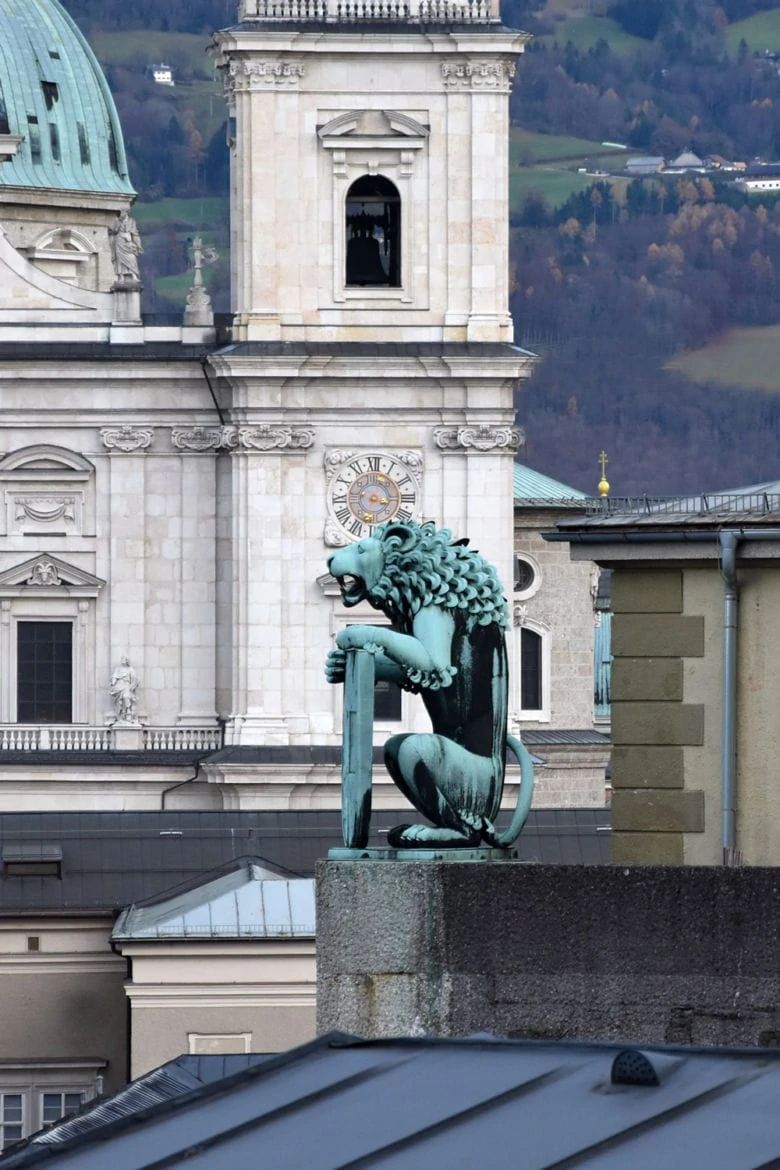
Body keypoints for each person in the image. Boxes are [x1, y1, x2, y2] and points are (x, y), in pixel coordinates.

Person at [109, 211, 143, 282]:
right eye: (121, 212)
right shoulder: (117, 221)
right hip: (119, 241)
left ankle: (133, 274)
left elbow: (135, 234)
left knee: (132, 257)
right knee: (119, 259)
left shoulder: (131, 221)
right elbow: (113, 231)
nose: (122, 214)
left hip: (128, 242)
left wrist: (138, 246)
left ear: (127, 213)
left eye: (123, 212)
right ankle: (121, 276)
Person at [110, 656, 139, 722]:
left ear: (126, 660)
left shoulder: (130, 670)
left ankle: (128, 711)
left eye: (123, 659)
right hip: (119, 686)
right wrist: (113, 682)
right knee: (120, 700)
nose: (122, 660)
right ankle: (122, 713)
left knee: (126, 696)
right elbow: (114, 676)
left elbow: (134, 680)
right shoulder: (118, 669)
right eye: (121, 659)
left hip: (126, 686)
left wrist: (132, 687)